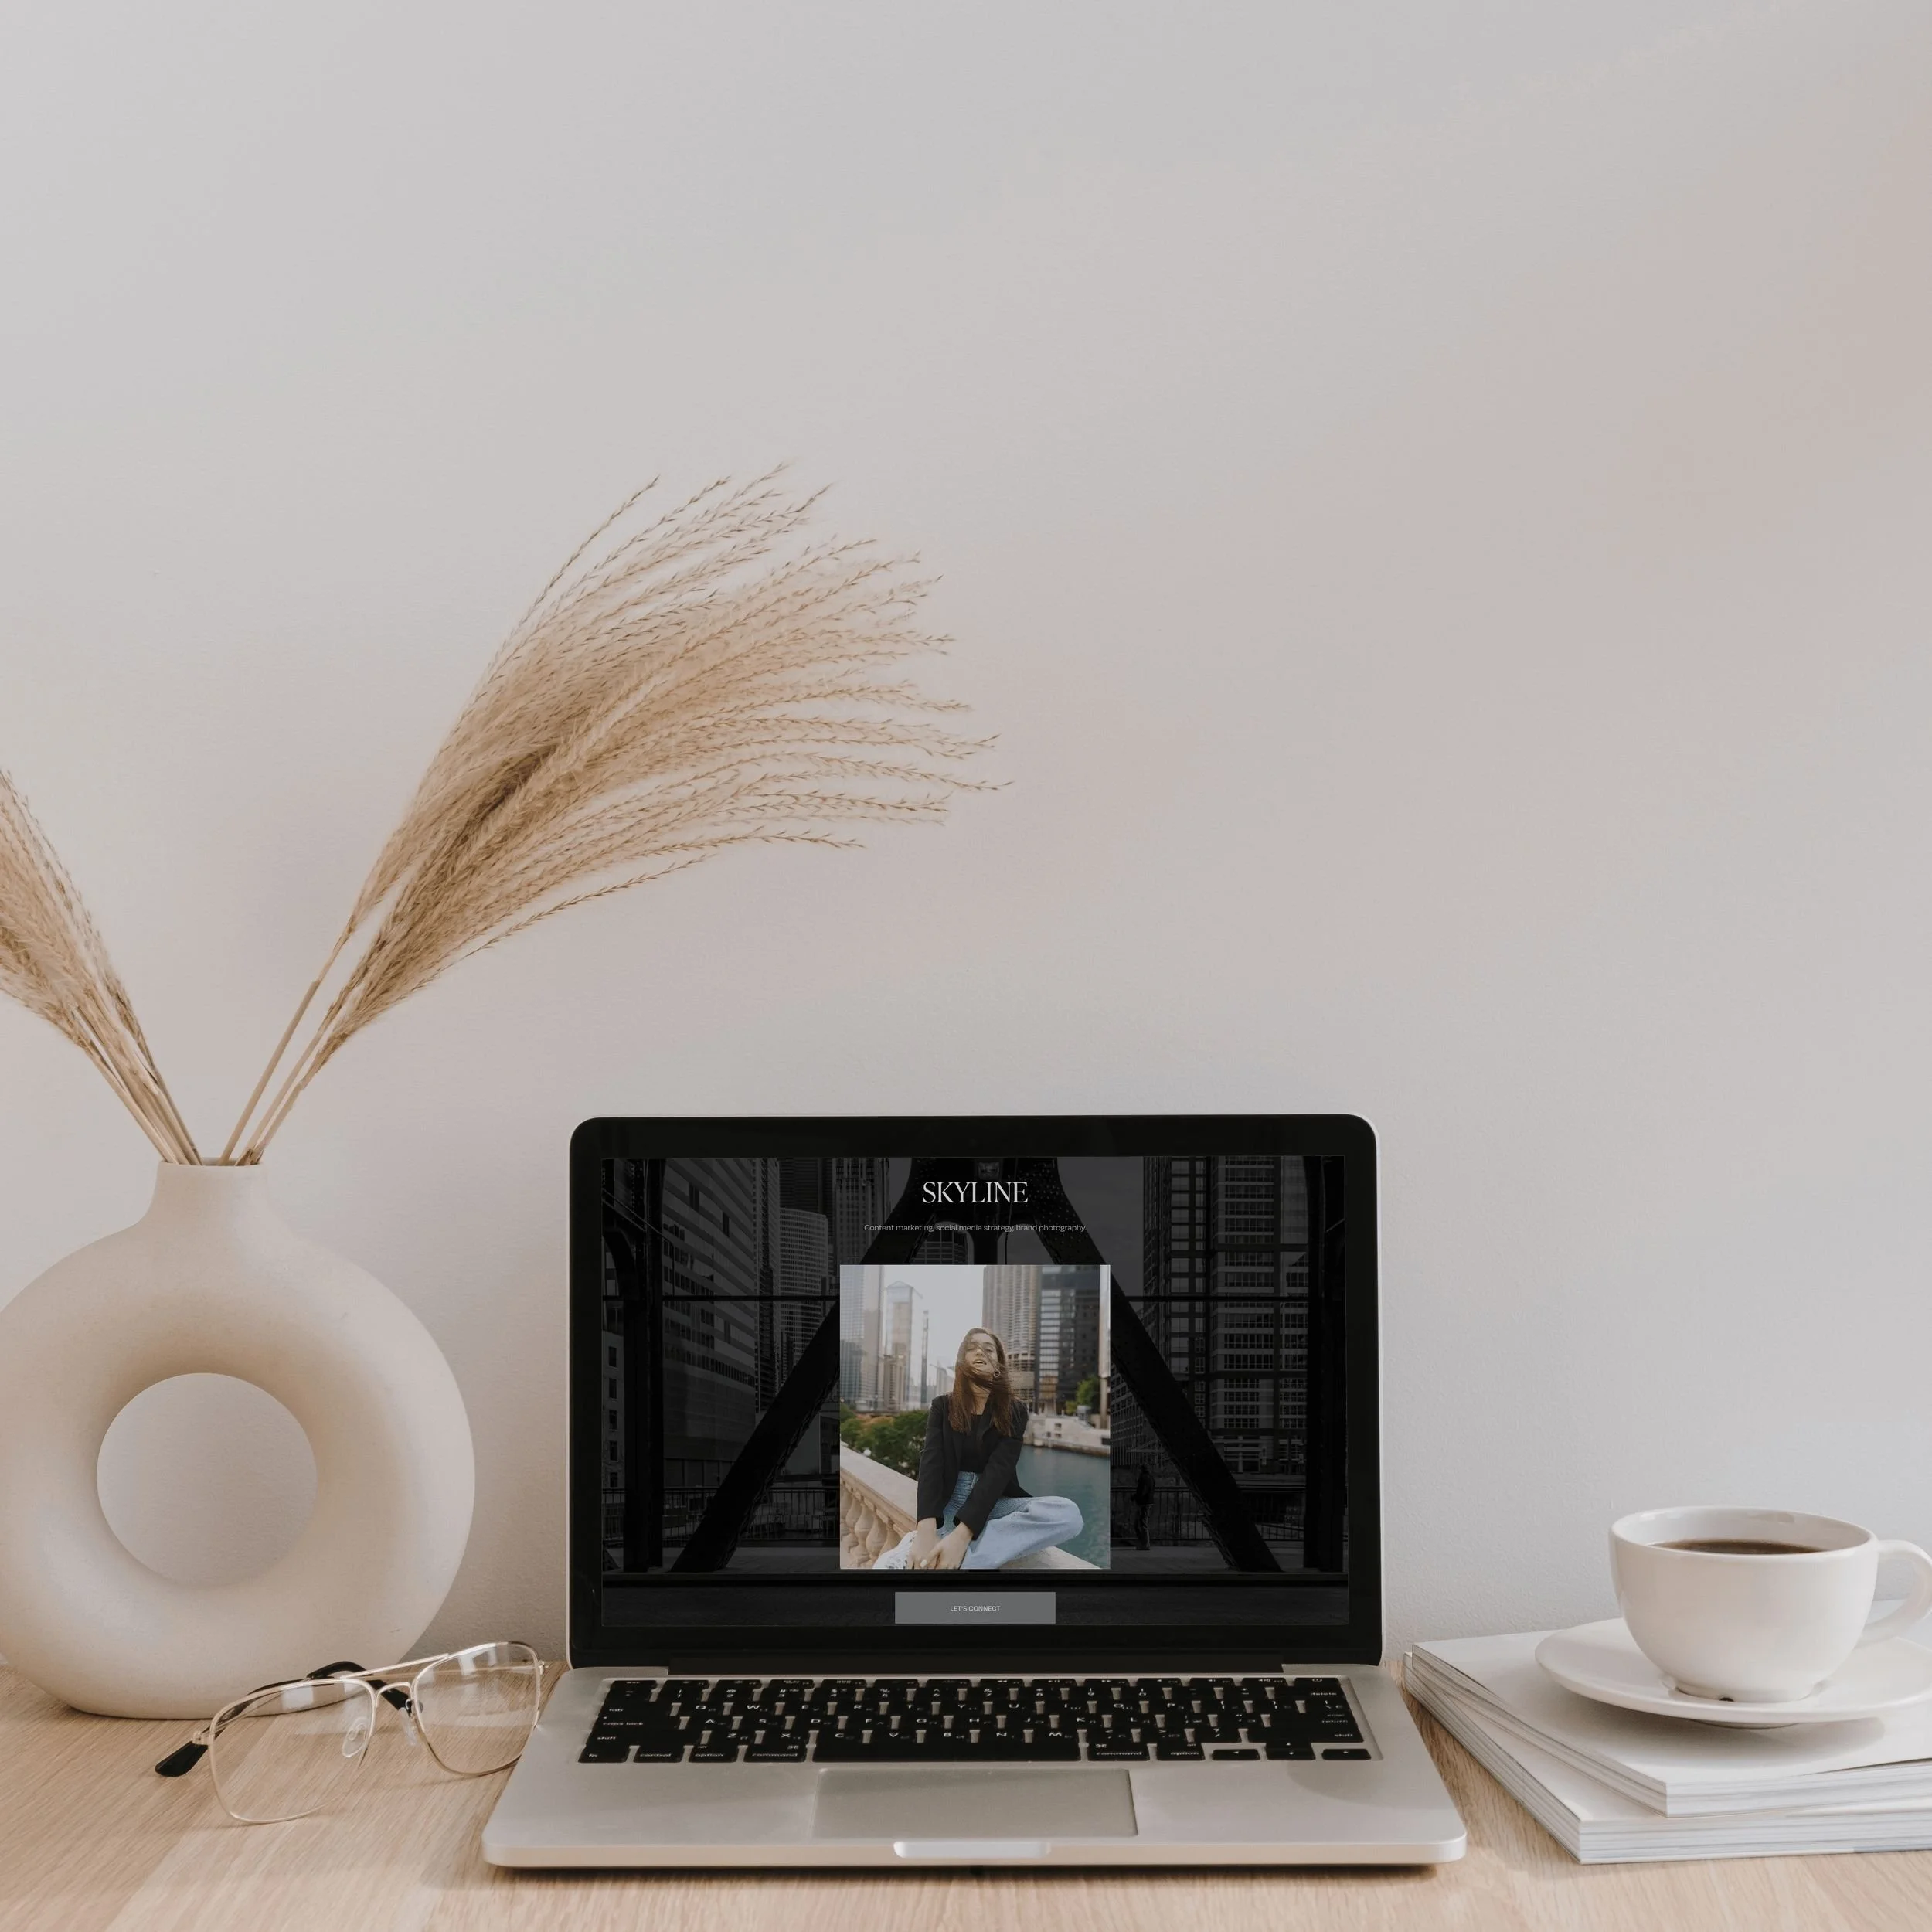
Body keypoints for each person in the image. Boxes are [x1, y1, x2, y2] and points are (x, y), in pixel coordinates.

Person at [872, 1327, 1083, 1570]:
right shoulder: (942, 1406)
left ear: (998, 1365)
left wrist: (963, 1535)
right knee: (885, 1567)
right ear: (962, 1361)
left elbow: (999, 1471)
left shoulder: (1015, 1410)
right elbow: (931, 1462)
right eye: (972, 1348)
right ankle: (950, 1546)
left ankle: (965, 1553)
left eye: (988, 1349)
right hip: (950, 1501)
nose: (980, 1352)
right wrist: (925, 1530)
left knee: (1068, 1514)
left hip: (995, 1501)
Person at [1133, 1461, 1156, 1551]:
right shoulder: (1151, 1478)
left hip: (1143, 1503)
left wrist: (1135, 1497)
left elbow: (1142, 1491)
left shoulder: (1143, 1478)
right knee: (1141, 1523)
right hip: (1148, 1502)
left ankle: (1145, 1544)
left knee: (1141, 1524)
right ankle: (1143, 1543)